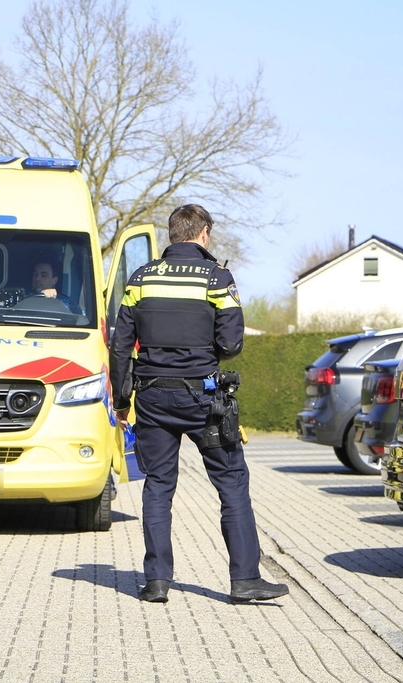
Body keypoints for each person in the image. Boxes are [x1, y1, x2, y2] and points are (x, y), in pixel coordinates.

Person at [109, 204, 288, 604]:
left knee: (157, 486)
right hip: (203, 399)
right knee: (232, 483)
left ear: (172, 234)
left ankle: (156, 582)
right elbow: (232, 343)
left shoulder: (142, 278)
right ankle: (245, 580)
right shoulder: (216, 278)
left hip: (152, 397)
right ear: (203, 233)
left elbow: (120, 344)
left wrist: (122, 401)